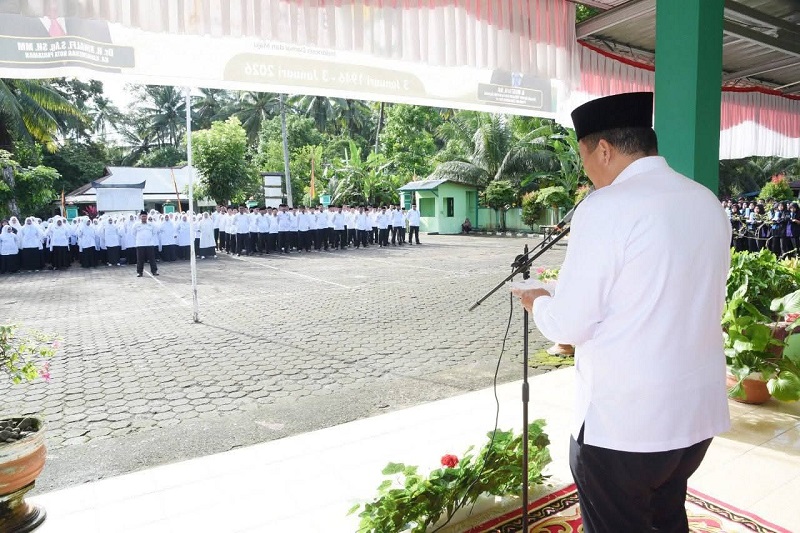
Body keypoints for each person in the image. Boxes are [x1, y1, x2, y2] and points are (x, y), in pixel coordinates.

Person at [511, 92, 731, 533]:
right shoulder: (706, 200)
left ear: (605, 149)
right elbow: (659, 287)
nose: (587, 172)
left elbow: (571, 324)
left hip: (626, 425)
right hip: (693, 417)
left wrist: (540, 302)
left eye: (584, 158)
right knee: (667, 517)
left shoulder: (607, 205)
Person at [133, 210, 158, 277]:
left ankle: (154, 271)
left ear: (147, 217)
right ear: (140, 217)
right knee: (140, 259)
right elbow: (134, 233)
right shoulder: (136, 225)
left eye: (145, 216)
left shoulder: (151, 224)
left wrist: (148, 238)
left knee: (152, 259)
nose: (144, 217)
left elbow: (154, 232)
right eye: (142, 216)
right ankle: (139, 272)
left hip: (149, 244)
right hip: (140, 244)